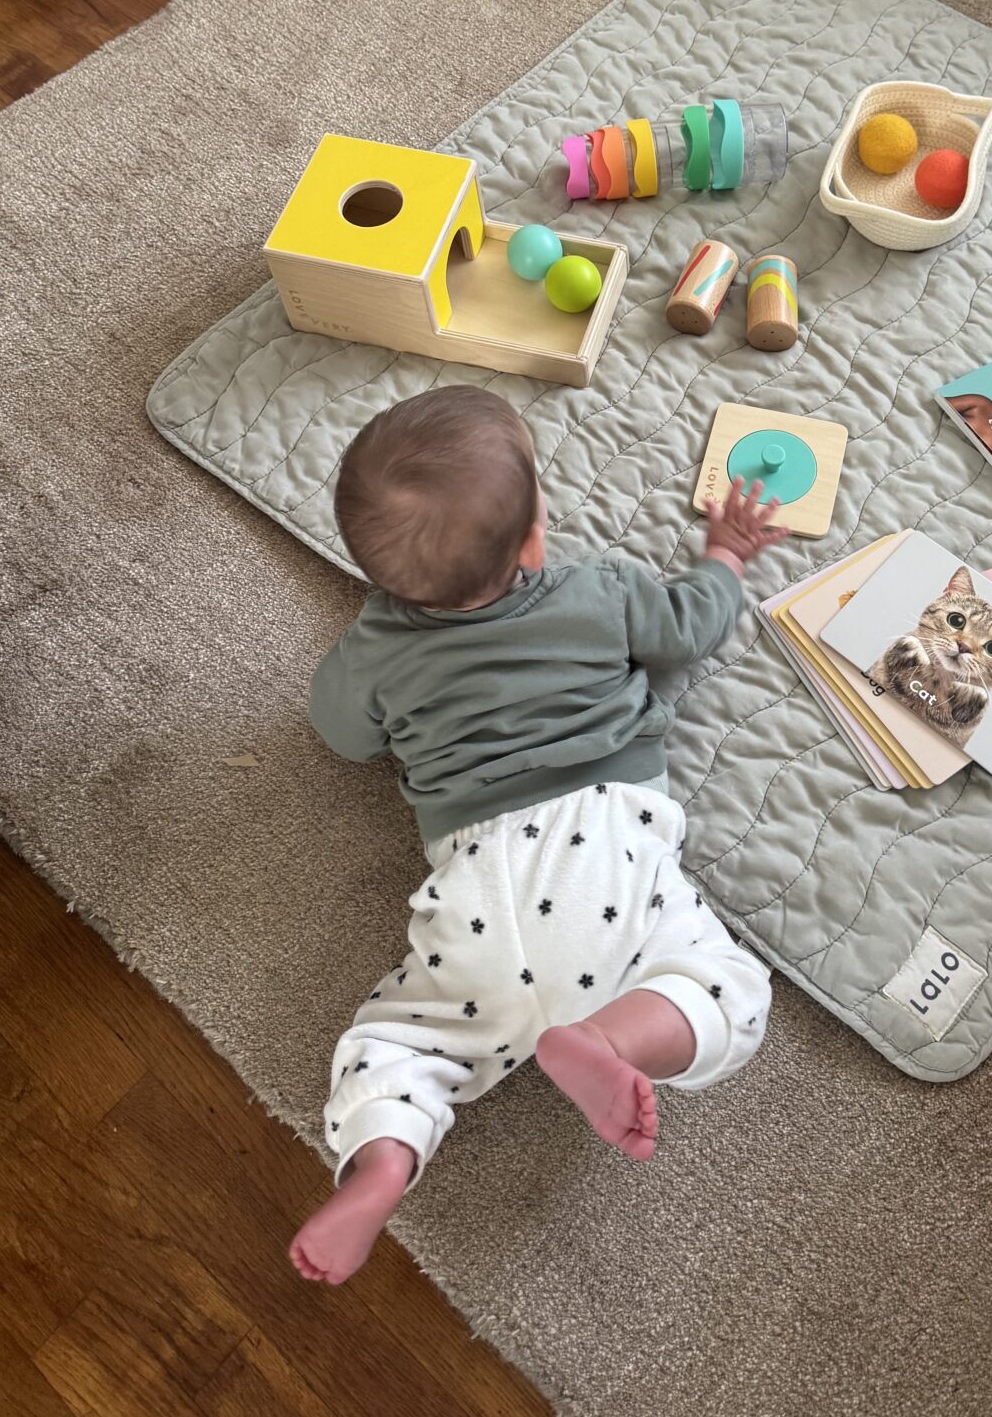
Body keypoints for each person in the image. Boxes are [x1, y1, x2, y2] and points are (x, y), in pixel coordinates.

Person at [288, 386, 786, 1286]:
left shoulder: (376, 648)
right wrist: (725, 555)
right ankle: (615, 1040)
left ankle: (387, 1156)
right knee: (733, 991)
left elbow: (338, 733)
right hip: (610, 846)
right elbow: (691, 630)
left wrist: (368, 658)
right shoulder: (596, 590)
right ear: (532, 542)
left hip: (476, 889)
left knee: (397, 1045)